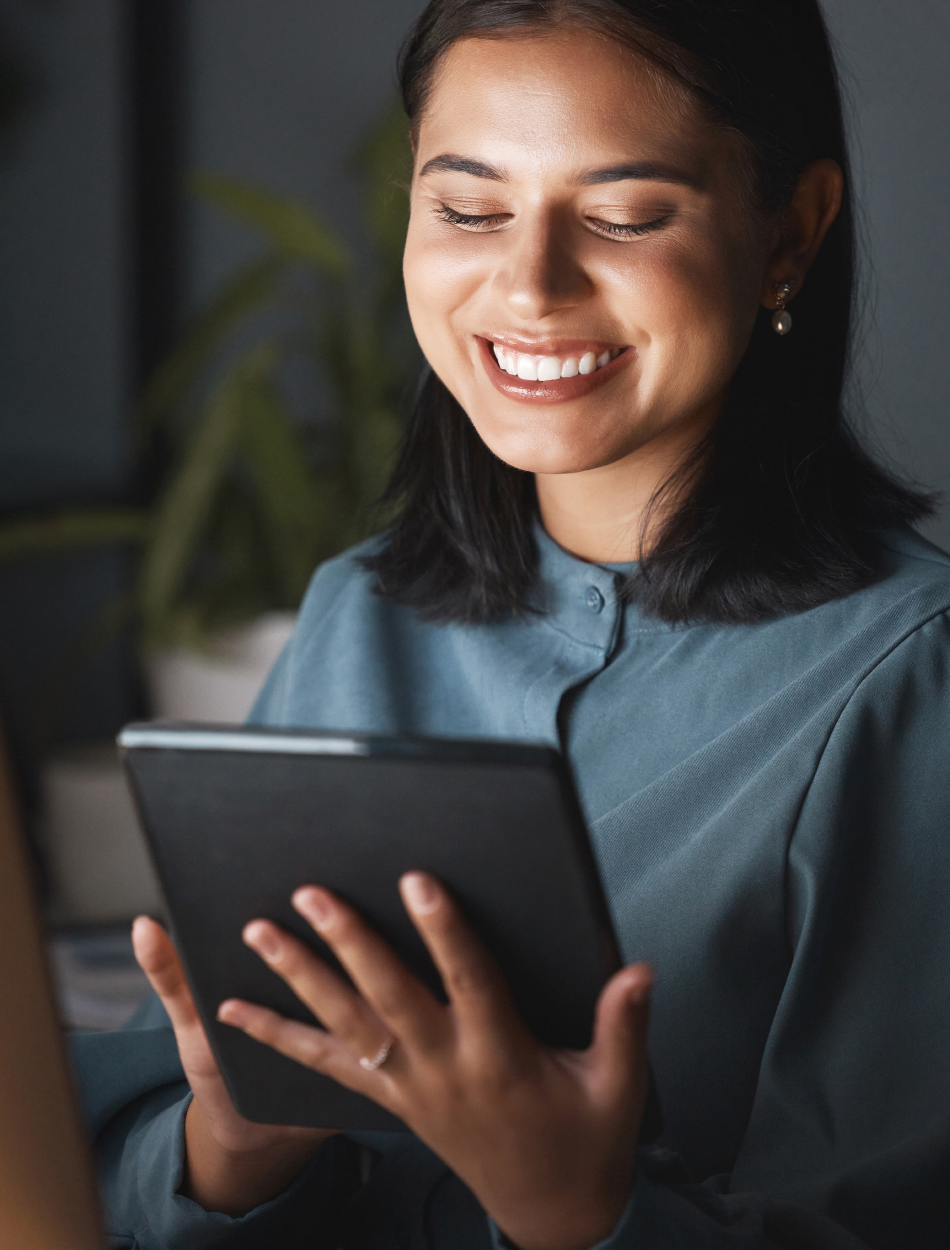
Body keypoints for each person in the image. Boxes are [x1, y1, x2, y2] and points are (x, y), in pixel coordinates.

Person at [72, 2, 950, 1247]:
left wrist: (573, 1208)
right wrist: (236, 1145)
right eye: (469, 209)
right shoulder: (357, 610)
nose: (527, 286)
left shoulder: (911, 677)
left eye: (625, 214)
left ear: (788, 234)